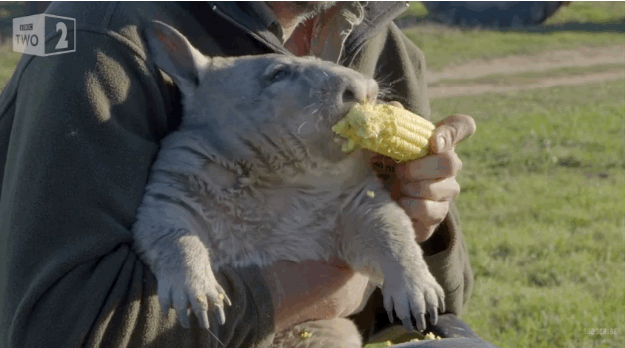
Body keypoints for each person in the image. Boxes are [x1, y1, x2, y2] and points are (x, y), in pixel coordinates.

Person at [0, 1, 496, 347]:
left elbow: (439, 305)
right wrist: (312, 286)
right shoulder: (89, 35)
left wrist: (425, 224)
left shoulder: (381, 41)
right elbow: (54, 331)